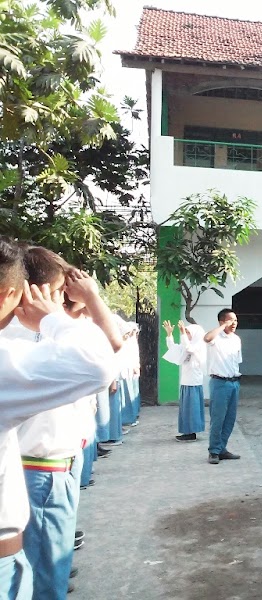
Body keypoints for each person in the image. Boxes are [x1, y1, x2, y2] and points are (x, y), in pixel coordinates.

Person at [0, 237, 115, 599]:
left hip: (44, 466)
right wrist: (58, 317)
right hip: (42, 469)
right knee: (47, 582)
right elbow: (103, 360)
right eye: (57, 292)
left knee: (48, 570)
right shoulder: (21, 337)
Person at [204, 309, 242, 464]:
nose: (234, 323)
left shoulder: (236, 339)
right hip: (220, 383)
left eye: (235, 320)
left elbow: (236, 362)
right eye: (230, 320)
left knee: (230, 419)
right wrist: (222, 327)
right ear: (221, 322)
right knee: (218, 418)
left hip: (234, 383)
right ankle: (213, 451)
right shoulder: (216, 338)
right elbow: (207, 338)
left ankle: (222, 449)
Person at [163, 319, 207, 442]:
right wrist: (169, 335)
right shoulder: (188, 344)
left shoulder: (198, 345)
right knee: (186, 409)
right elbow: (174, 349)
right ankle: (187, 431)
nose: (186, 334)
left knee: (192, 408)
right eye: (185, 332)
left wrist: (182, 333)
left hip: (193, 382)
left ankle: (191, 432)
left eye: (188, 332)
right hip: (186, 382)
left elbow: (188, 348)